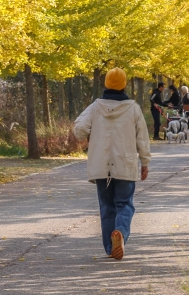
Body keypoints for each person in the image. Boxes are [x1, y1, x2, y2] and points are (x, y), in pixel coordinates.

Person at [73, 68, 151, 261]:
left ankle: (110, 248)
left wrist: (89, 135)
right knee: (125, 204)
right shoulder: (133, 108)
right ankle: (121, 233)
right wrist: (145, 162)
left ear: (106, 84)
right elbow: (142, 138)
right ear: (124, 85)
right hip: (125, 164)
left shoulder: (95, 107)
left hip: (101, 166)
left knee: (107, 207)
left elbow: (80, 129)